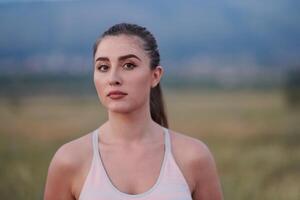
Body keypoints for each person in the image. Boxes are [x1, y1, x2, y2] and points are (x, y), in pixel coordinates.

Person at [44, 23, 223, 200]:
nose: (113, 79)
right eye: (103, 67)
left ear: (155, 76)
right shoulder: (69, 160)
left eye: (128, 65)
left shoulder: (193, 157)